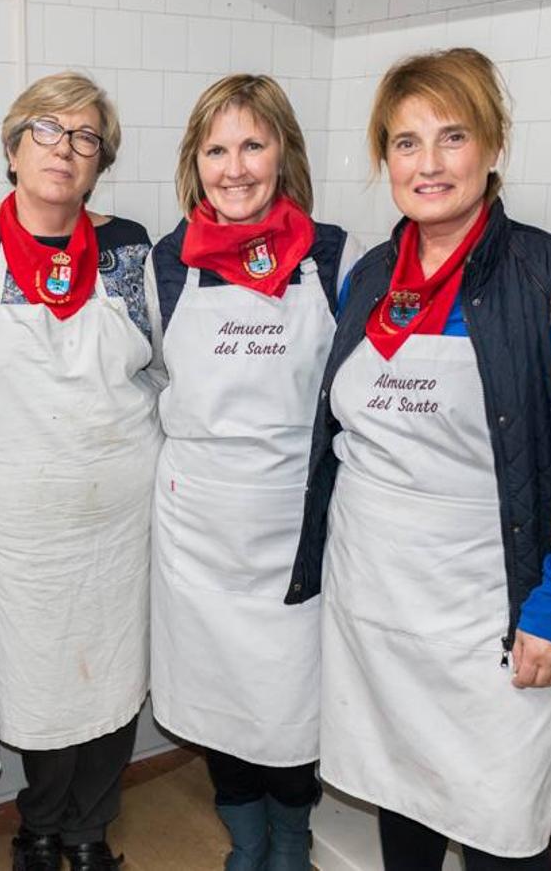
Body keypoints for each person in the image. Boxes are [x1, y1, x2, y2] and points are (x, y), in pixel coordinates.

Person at [287, 48, 551, 869]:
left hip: (491, 620)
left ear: (492, 148)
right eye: (404, 143)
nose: (427, 165)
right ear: (383, 159)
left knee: (499, 819)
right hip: (374, 608)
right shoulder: (368, 278)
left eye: (451, 137)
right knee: (402, 793)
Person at [0, 71, 158, 871]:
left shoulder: (128, 248)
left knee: (114, 671)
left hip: (119, 509)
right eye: (47, 131)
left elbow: (160, 368)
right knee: (35, 676)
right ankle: (40, 823)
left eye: (85, 137)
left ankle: (90, 831)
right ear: (13, 146)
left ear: (100, 161)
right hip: (13, 513)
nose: (65, 149)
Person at [144, 74, 362, 871]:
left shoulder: (334, 257)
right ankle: (245, 842)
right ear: (194, 162)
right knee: (220, 698)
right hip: (198, 525)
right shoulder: (166, 266)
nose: (233, 168)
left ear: (283, 154)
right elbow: (154, 384)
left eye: (252, 144)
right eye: (215, 149)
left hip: (293, 524)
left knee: (289, 702)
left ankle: (291, 840)